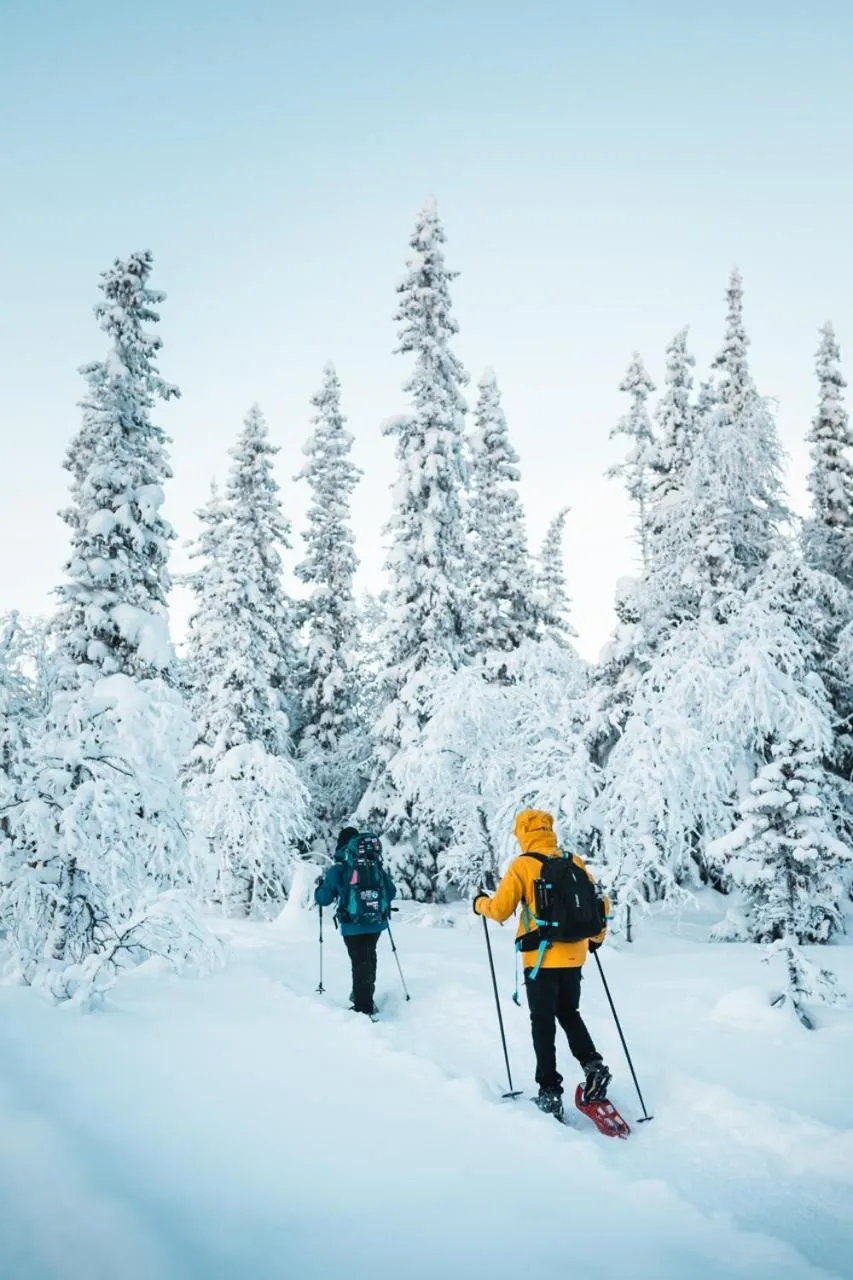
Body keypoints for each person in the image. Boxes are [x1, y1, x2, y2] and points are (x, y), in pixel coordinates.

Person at [473, 809, 610, 1119]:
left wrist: (479, 903)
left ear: (522, 833)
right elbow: (600, 901)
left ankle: (549, 1092)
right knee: (569, 1012)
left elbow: (499, 910)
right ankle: (593, 1065)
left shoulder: (523, 865)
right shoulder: (573, 862)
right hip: (575, 954)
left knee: (543, 1022)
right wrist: (596, 938)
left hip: (540, 959)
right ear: (549, 830)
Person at [314, 826, 396, 1017]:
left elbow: (323, 898)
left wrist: (319, 888)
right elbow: (391, 892)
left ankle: (363, 1007)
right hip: (376, 922)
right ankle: (364, 997)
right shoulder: (374, 865)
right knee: (369, 957)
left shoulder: (339, 869)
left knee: (360, 961)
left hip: (352, 923)